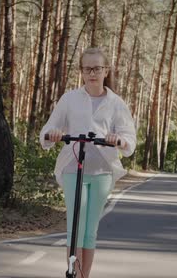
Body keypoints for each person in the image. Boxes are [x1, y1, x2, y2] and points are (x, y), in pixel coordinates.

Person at [39, 47, 137, 277]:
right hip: (74, 167)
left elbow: (129, 138)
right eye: (87, 68)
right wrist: (53, 134)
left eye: (97, 68)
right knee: (76, 229)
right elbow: (48, 129)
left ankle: (85, 276)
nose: (92, 73)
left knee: (90, 231)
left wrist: (118, 139)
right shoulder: (70, 99)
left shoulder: (116, 103)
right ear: (81, 72)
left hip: (103, 170)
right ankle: (73, 273)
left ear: (106, 71)